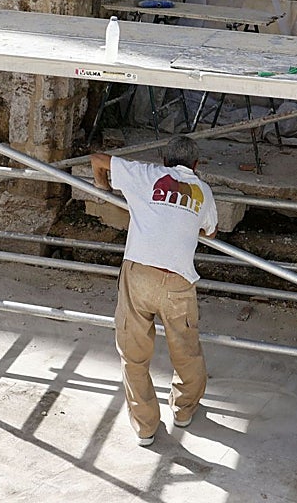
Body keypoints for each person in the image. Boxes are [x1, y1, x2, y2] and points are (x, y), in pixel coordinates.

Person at [91, 136, 218, 447]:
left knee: (133, 354)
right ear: (196, 165)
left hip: (139, 273)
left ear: (164, 160)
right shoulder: (202, 191)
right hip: (178, 280)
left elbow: (97, 158)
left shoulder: (145, 175)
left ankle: (146, 426)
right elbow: (211, 230)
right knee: (185, 348)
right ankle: (184, 410)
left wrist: (104, 190)